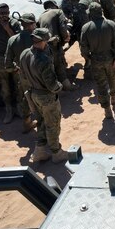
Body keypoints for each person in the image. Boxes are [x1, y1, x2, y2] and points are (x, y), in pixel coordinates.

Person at [17, 29, 69, 164]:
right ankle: (56, 152)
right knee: (52, 124)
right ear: (44, 40)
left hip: (33, 94)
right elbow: (52, 84)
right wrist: (60, 87)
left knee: (41, 122)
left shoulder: (25, 54)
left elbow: (22, 76)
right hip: (46, 96)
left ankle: (40, 150)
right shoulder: (43, 59)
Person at [80, 2, 115, 120]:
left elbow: (83, 48)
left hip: (95, 60)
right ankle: (114, 97)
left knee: (101, 84)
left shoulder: (86, 28)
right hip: (110, 58)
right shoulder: (110, 24)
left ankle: (107, 109)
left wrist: (88, 57)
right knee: (112, 78)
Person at [4, 13, 38, 133]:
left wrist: (16, 68)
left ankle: (27, 123)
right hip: (38, 75)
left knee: (24, 98)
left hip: (22, 75)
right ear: (32, 24)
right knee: (41, 98)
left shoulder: (12, 40)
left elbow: (7, 65)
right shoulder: (38, 38)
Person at [38, 0, 75, 91]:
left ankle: (55, 89)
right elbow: (62, 27)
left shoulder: (40, 17)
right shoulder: (58, 11)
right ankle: (67, 86)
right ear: (54, 5)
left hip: (44, 46)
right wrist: (66, 37)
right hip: (55, 43)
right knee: (60, 65)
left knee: (51, 67)